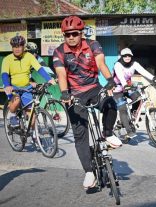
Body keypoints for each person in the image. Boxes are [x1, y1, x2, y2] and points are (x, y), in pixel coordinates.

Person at [52, 15, 122, 189]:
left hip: (94, 88)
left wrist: (109, 80)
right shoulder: (59, 52)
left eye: (74, 34)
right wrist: (64, 93)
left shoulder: (93, 45)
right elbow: (61, 74)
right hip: (74, 94)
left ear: (81, 33)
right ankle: (89, 172)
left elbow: (101, 64)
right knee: (80, 135)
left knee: (110, 103)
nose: (71, 37)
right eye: (67, 35)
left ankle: (107, 133)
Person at [1, 35, 55, 128]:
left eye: (19, 46)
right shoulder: (7, 59)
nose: (17, 49)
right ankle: (12, 115)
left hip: (26, 87)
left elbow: (39, 68)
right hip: (12, 87)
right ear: (12, 47)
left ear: (23, 46)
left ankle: (35, 136)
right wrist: (7, 85)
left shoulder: (29, 56)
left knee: (32, 114)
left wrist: (49, 79)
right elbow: (5, 74)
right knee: (16, 100)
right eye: (14, 46)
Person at [112, 48, 156, 139]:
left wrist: (154, 78)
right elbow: (120, 77)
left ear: (131, 56)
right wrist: (125, 84)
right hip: (118, 89)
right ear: (122, 57)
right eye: (125, 56)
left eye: (129, 55)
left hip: (128, 87)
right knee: (122, 109)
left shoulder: (134, 64)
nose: (127, 57)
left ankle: (133, 114)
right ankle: (129, 131)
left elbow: (143, 71)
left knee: (139, 98)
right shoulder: (118, 65)